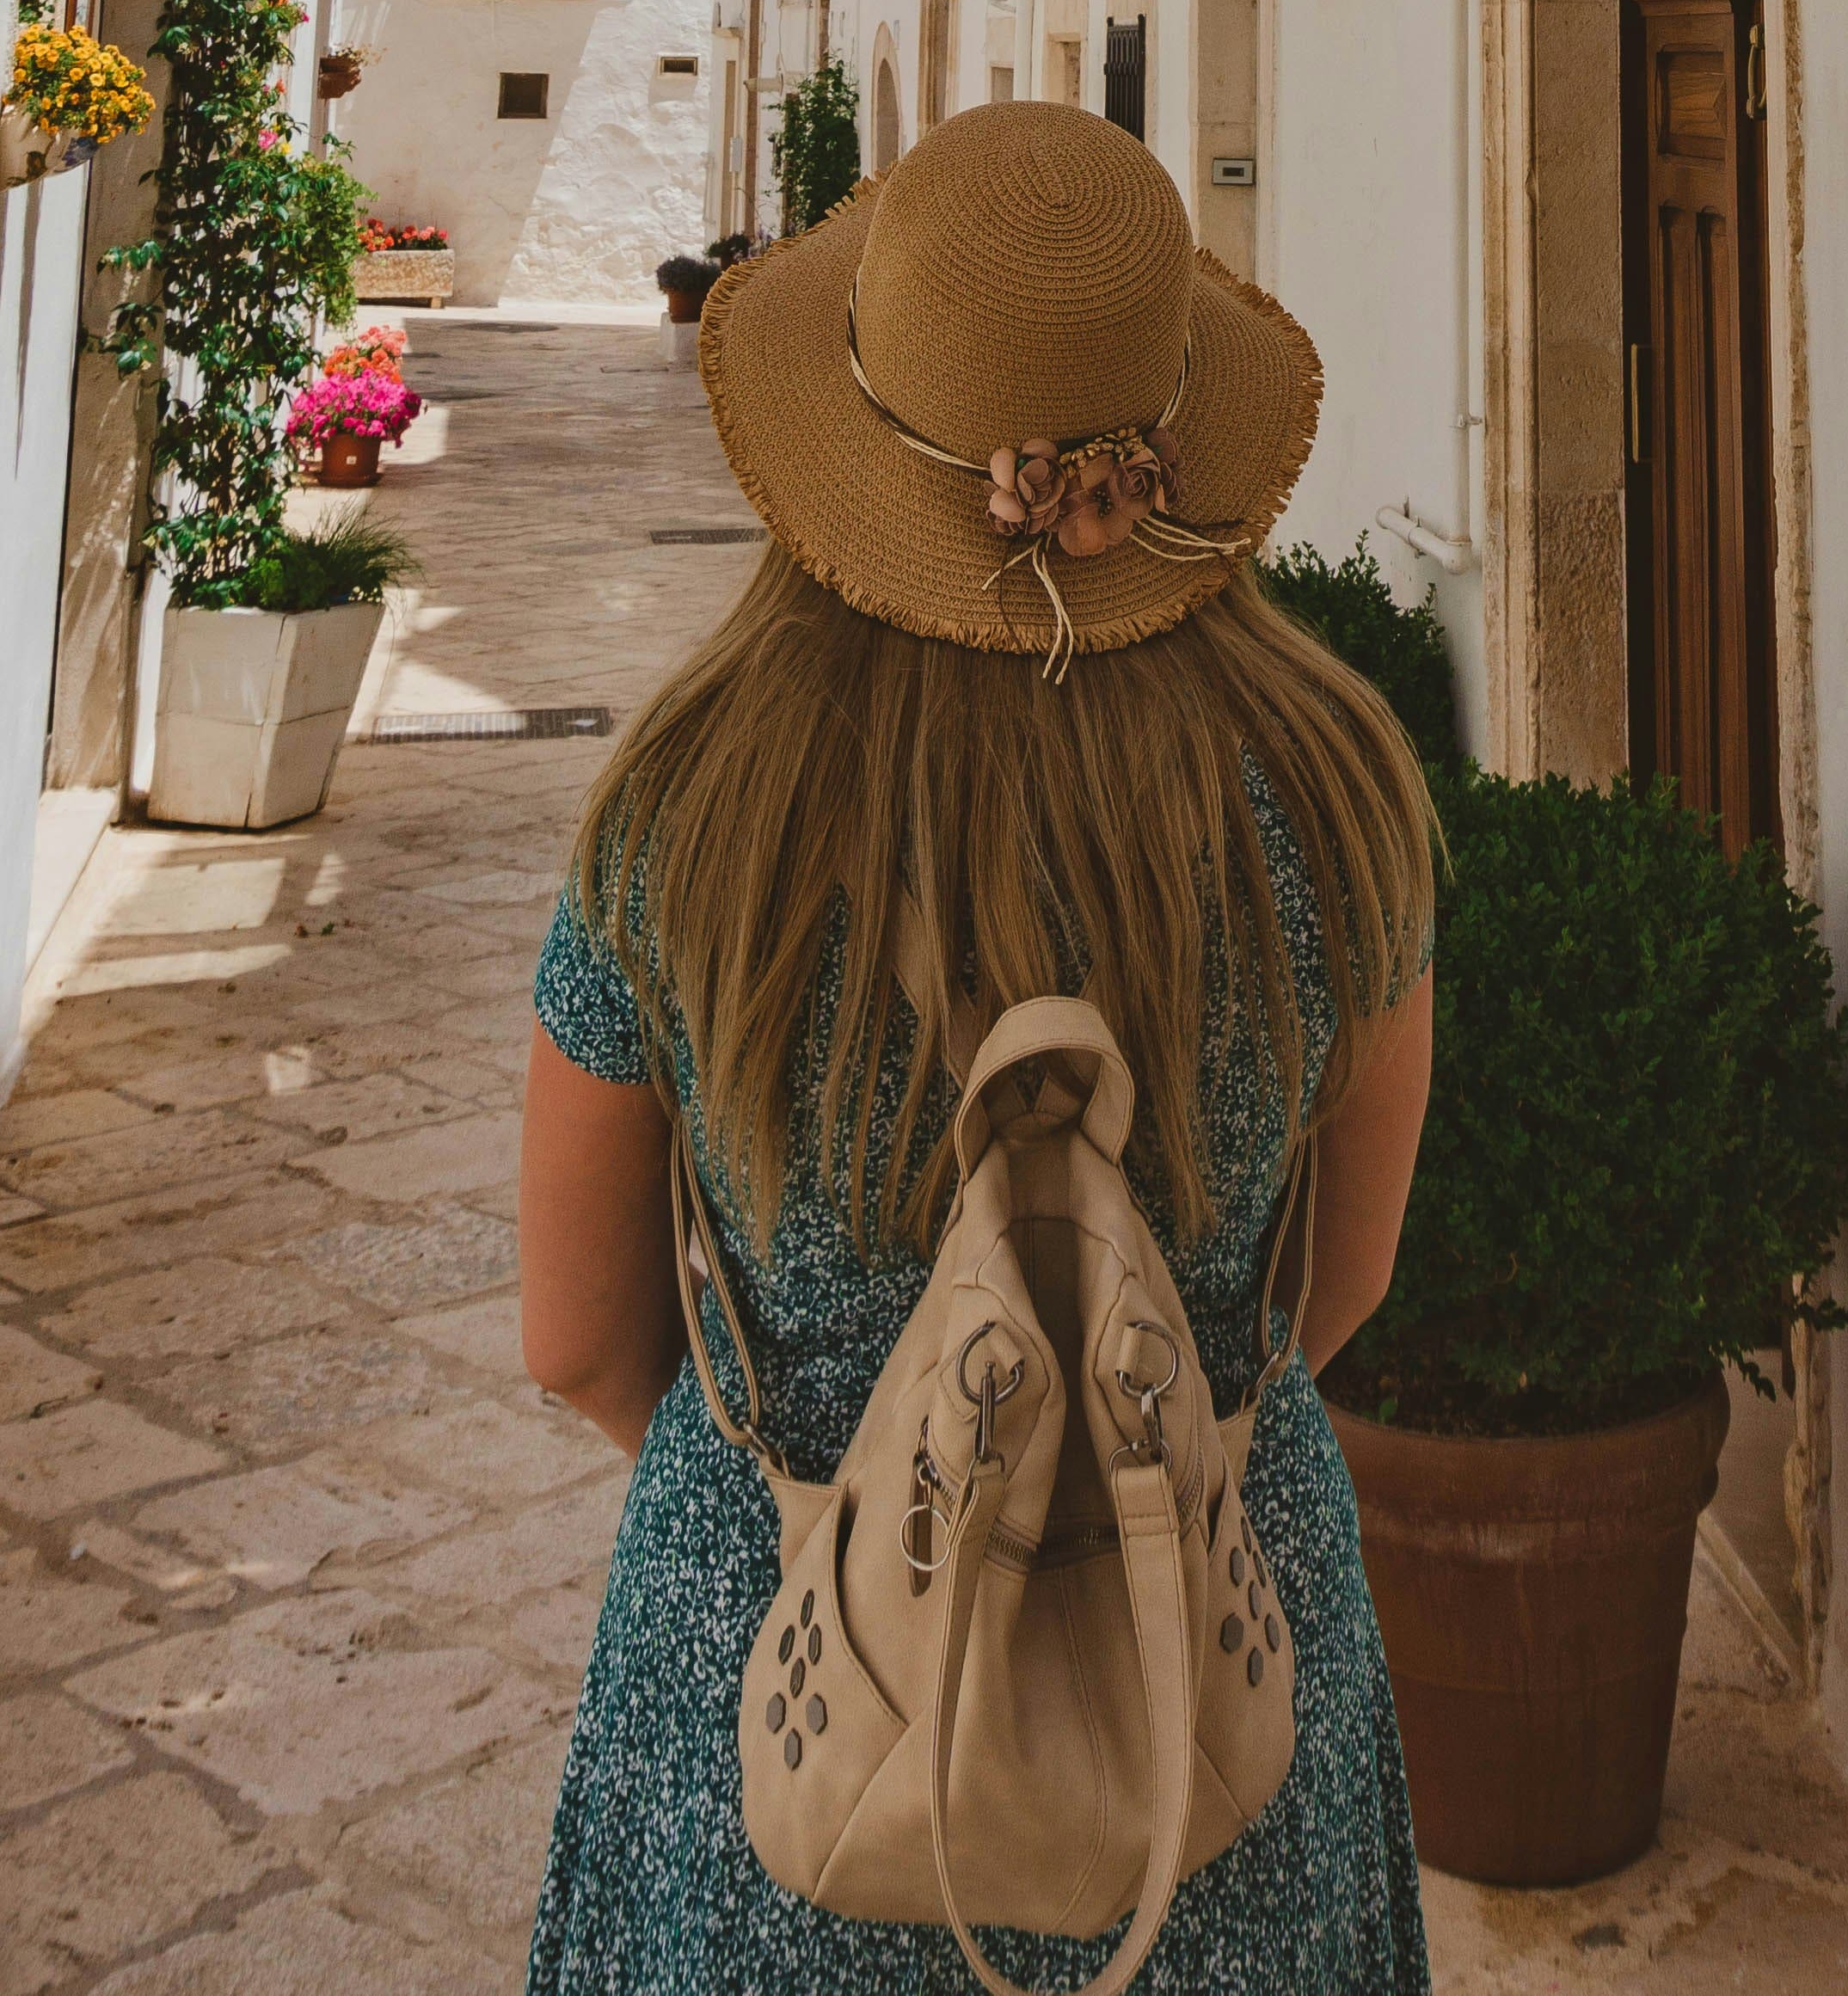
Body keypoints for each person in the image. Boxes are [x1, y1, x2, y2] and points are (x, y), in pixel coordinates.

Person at [519, 100, 1440, 1993]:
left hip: (770, 1703)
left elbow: (581, 1336)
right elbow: (1336, 1282)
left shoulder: (681, 821)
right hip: (1214, 1698)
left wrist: (842, 1489)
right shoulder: (1340, 797)